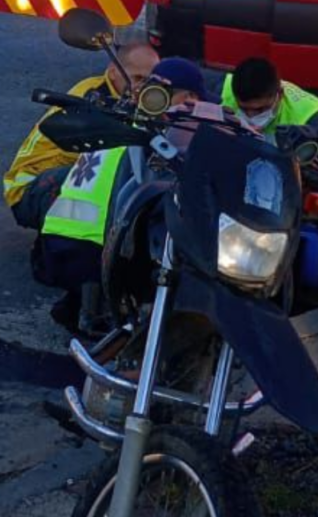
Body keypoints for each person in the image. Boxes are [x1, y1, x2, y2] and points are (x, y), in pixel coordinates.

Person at [36, 58, 211, 334]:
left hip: (54, 242)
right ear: (188, 97)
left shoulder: (123, 119)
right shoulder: (155, 138)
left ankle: (82, 304)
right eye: (194, 99)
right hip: (92, 252)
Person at [4, 42, 160, 230]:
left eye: (150, 81)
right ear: (113, 72)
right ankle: (57, 244)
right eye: (137, 78)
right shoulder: (92, 96)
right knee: (101, 188)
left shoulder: (144, 98)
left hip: (63, 174)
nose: (143, 87)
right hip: (30, 186)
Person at [221, 57, 318, 138]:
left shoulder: (309, 120)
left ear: (279, 95)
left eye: (260, 110)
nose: (251, 118)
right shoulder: (222, 88)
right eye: (243, 109)